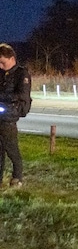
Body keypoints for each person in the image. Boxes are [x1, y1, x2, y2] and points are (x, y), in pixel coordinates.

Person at [0, 43, 31, 190]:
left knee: (11, 148)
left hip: (9, 117)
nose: (0, 66)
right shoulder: (1, 73)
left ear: (12, 59)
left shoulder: (22, 74)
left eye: (3, 62)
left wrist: (2, 97)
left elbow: (22, 95)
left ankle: (17, 177)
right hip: (2, 114)